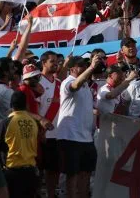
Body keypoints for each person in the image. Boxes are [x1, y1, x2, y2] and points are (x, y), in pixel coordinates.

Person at [54, 54, 101, 198]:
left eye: (86, 65)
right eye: (81, 65)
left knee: (86, 173)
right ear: (72, 68)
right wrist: (92, 67)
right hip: (70, 137)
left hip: (86, 137)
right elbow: (75, 86)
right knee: (72, 174)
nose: (85, 67)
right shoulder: (68, 82)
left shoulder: (86, 85)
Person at [0, 91, 41, 198]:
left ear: (11, 105)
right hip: (31, 173)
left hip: (12, 174)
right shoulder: (34, 122)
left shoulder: (5, 123)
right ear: (26, 105)